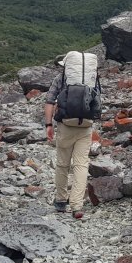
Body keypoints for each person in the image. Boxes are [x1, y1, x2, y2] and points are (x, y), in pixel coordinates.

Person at [44, 52, 97, 220]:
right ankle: (77, 206)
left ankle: (61, 200)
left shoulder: (60, 79)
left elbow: (49, 101)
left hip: (65, 125)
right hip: (85, 126)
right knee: (81, 165)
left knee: (62, 164)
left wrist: (48, 125)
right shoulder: (92, 78)